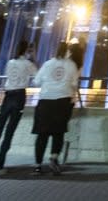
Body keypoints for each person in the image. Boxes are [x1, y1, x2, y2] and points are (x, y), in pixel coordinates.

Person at [0, 40, 37, 176]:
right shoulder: (28, 64)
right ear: (27, 50)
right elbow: (37, 76)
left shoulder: (10, 62)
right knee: (9, 133)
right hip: (19, 96)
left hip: (7, 96)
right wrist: (33, 57)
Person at [32, 42, 78, 175]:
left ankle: (38, 165)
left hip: (45, 101)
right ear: (67, 51)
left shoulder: (47, 64)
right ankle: (53, 158)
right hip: (63, 101)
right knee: (58, 133)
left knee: (42, 135)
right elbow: (74, 84)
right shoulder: (71, 65)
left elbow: (36, 81)